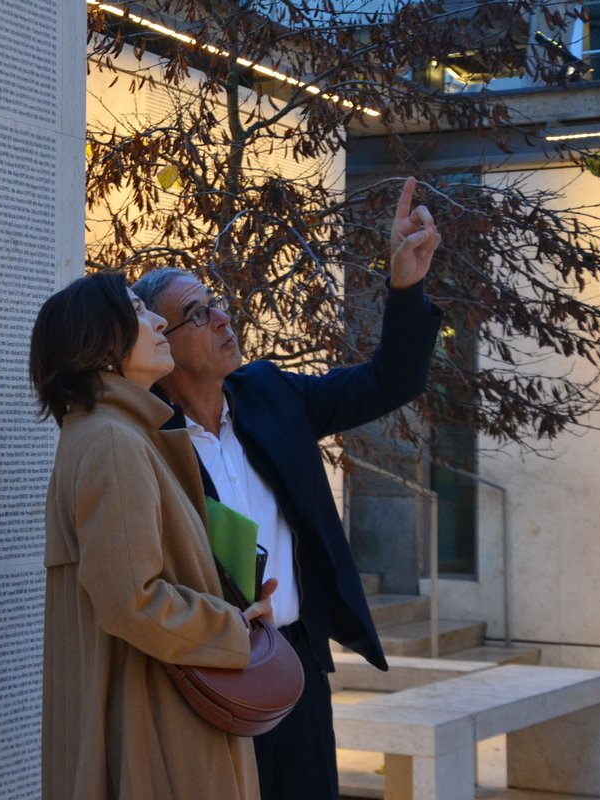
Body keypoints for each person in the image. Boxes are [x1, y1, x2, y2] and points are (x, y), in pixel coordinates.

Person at [131, 176, 444, 800]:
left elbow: (389, 381)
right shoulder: (143, 440)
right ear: (161, 342)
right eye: (197, 313)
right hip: (202, 673)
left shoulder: (271, 396)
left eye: (214, 302)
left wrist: (405, 287)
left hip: (292, 660)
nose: (222, 317)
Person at [30, 270, 275, 800]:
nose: (159, 318)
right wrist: (231, 627)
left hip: (156, 711)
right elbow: (130, 599)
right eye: (139, 313)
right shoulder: (114, 441)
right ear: (100, 344)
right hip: (159, 727)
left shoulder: (113, 433)